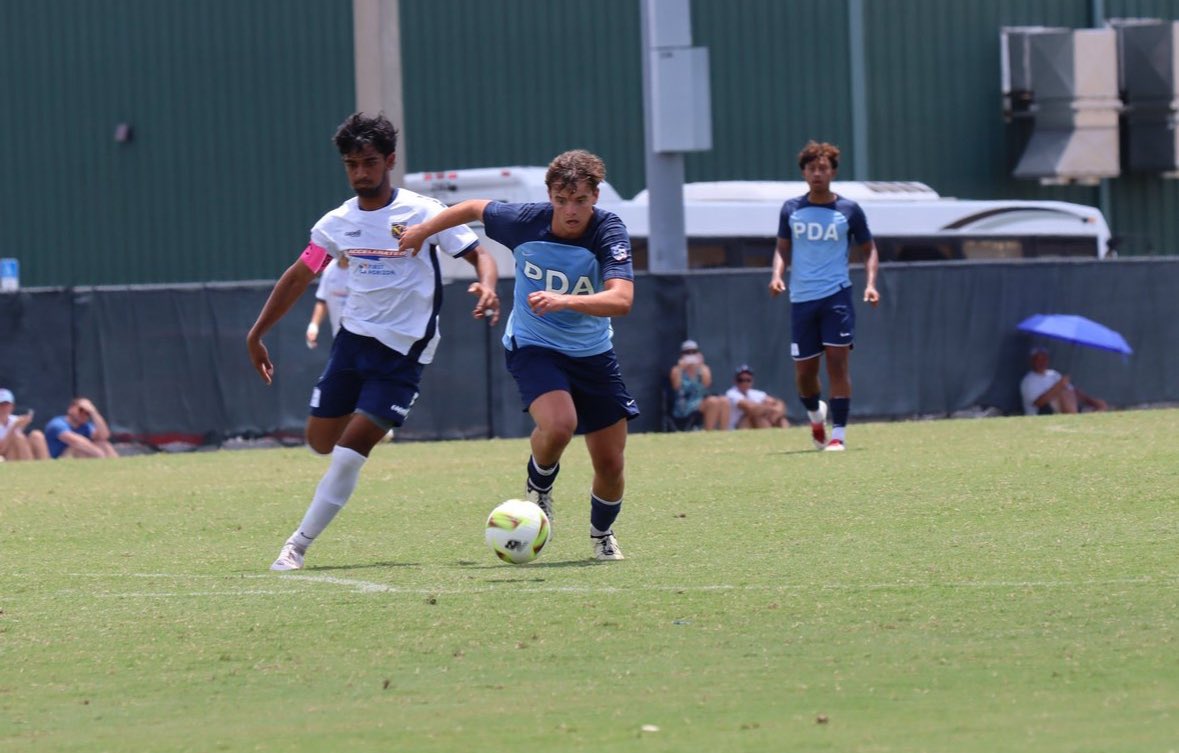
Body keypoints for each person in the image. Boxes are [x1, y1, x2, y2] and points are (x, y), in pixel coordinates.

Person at [247, 112, 500, 572]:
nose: (361, 172)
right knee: (320, 442)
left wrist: (487, 284)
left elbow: (479, 253)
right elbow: (299, 275)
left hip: (403, 354)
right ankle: (370, 425)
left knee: (346, 454)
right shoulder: (336, 224)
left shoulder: (425, 212)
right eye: (351, 164)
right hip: (352, 345)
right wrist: (256, 333)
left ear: (389, 161)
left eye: (368, 162)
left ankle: (296, 547)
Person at [398, 149, 636, 561]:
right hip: (534, 345)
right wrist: (422, 232)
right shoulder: (524, 220)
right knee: (561, 425)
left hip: (593, 354)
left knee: (611, 464)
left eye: (580, 200)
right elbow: (472, 207)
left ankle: (601, 535)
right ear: (549, 196)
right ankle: (539, 487)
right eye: (562, 201)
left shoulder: (608, 231)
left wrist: (565, 302)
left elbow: (622, 299)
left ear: (596, 196)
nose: (571, 211)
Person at [769, 140, 880, 452]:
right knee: (805, 374)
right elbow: (782, 248)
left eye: (823, 168)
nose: (817, 173)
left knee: (837, 363)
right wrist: (777, 275)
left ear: (832, 173)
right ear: (804, 173)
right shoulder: (792, 209)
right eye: (811, 168)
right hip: (802, 299)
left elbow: (869, 249)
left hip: (837, 296)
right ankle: (816, 413)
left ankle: (838, 435)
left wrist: (871, 283)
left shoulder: (848, 210)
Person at [1020, 346, 1108, 415]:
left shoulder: (1054, 374)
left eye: (1044, 359)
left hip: (1065, 409)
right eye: (1037, 359)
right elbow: (1037, 403)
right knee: (1063, 392)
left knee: (1098, 406)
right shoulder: (1028, 381)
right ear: (1032, 361)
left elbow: (1073, 392)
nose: (1041, 362)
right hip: (1042, 413)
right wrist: (1058, 387)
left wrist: (1093, 402)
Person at [668, 339, 729, 431]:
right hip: (684, 405)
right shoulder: (676, 370)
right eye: (687, 352)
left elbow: (707, 384)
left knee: (724, 401)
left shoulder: (703, 369)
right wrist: (681, 368)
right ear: (682, 355)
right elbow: (676, 386)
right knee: (712, 402)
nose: (691, 355)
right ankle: (709, 433)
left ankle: (724, 432)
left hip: (700, 400)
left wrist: (701, 366)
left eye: (694, 352)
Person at [42, 397, 118, 459]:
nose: (84, 414)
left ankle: (117, 469)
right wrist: (100, 455)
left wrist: (94, 412)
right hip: (58, 460)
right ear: (70, 409)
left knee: (104, 444)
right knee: (79, 448)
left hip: (76, 458)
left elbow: (104, 436)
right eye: (81, 410)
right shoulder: (57, 424)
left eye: (87, 413)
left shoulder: (86, 426)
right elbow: (76, 441)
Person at [305, 255, 350, 349]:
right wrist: (314, 326)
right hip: (339, 337)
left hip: (363, 337)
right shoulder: (329, 269)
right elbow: (323, 300)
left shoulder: (362, 269)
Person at [724, 365, 788, 429]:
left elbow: (779, 403)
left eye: (748, 380)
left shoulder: (755, 393)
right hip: (737, 427)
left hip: (756, 423)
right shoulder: (731, 393)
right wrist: (771, 409)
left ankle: (786, 436)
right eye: (741, 380)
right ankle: (768, 436)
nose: (744, 383)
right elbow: (750, 408)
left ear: (752, 381)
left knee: (781, 419)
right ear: (735, 381)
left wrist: (776, 412)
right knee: (755, 416)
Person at [0, 389, 49, 461]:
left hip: (18, 453)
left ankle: (46, 465)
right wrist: (14, 427)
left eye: (7, 404)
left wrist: (23, 425)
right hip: (5, 457)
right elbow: (2, 451)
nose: (4, 408)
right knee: (19, 438)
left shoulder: (15, 419)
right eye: (1, 405)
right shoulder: (16, 422)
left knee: (37, 435)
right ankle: (30, 467)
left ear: (12, 406)